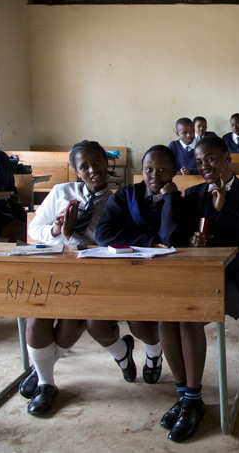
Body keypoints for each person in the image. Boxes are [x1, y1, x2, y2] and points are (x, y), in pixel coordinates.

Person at [161, 135, 239, 442]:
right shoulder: (192, 194)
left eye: (211, 159)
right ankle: (184, 395)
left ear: (227, 159)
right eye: (199, 160)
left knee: (189, 316)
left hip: (233, 279)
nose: (205, 165)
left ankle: (193, 400)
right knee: (167, 315)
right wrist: (190, 239)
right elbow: (174, 238)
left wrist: (222, 209)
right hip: (195, 274)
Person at [21, 140, 112, 416]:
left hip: (91, 272)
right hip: (55, 267)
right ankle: (46, 383)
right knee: (37, 318)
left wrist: (75, 235)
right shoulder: (63, 192)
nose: (92, 170)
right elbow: (36, 228)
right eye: (84, 166)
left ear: (106, 162)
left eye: (97, 163)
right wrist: (56, 229)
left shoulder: (118, 199)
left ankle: (40, 369)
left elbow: (113, 243)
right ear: (75, 170)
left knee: (71, 322)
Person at [89, 146, 190, 387]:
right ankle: (122, 355)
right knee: (95, 322)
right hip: (121, 273)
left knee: (140, 322)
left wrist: (169, 199)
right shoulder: (126, 195)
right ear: (141, 171)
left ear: (174, 172)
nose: (155, 175)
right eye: (149, 169)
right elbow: (104, 235)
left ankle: (154, 354)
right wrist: (148, 241)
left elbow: (171, 238)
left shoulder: (179, 201)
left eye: (163, 170)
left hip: (159, 278)